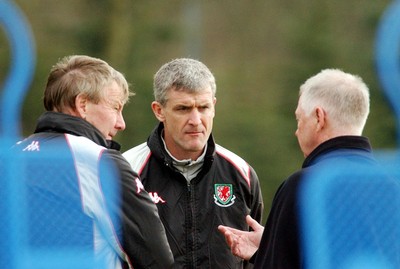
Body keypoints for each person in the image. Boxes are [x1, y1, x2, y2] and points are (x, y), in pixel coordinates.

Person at [12, 55, 174, 269]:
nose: (121, 123)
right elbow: (156, 259)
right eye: (115, 107)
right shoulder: (100, 163)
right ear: (83, 105)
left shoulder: (9, 158)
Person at [218, 69, 380, 268]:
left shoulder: (305, 187)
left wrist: (272, 254)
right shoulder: (392, 185)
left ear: (319, 118)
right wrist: (271, 245)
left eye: (299, 119)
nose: (296, 131)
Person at [123, 58, 264, 268]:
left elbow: (255, 257)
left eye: (204, 107)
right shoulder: (127, 170)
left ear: (214, 107)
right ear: (159, 110)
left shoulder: (241, 173)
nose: (196, 120)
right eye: (183, 109)